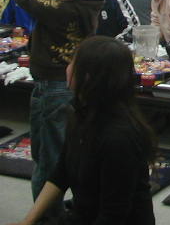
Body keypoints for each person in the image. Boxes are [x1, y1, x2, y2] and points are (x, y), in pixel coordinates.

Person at [10, 36, 156, 225]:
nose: (67, 67)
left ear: (88, 76)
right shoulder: (81, 114)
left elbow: (113, 215)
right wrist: (27, 221)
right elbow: (60, 174)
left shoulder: (119, 138)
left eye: (72, 62)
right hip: (84, 215)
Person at [8, 0, 109, 211]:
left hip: (56, 89)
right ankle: (67, 209)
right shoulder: (79, 4)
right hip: (53, 85)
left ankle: (47, 216)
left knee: (49, 159)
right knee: (50, 152)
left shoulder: (71, 11)